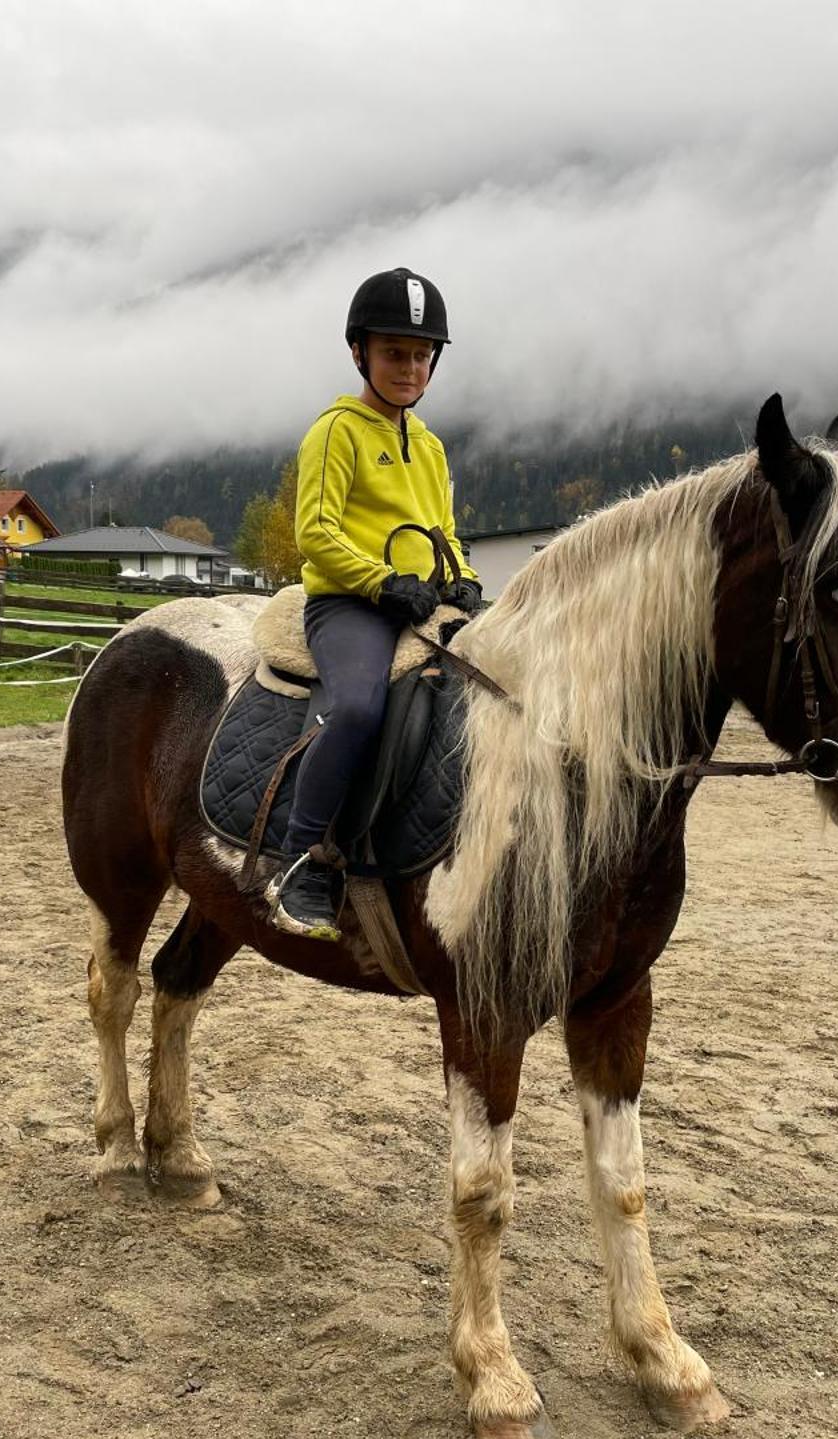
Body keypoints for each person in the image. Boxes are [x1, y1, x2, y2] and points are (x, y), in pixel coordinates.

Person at [268, 267, 482, 940]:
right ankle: (302, 858)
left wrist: (464, 577)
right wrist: (381, 582)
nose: (409, 368)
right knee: (358, 706)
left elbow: (442, 529)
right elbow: (317, 534)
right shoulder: (336, 432)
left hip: (421, 606)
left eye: (421, 355)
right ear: (361, 353)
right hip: (351, 608)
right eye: (395, 353)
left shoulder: (430, 445)